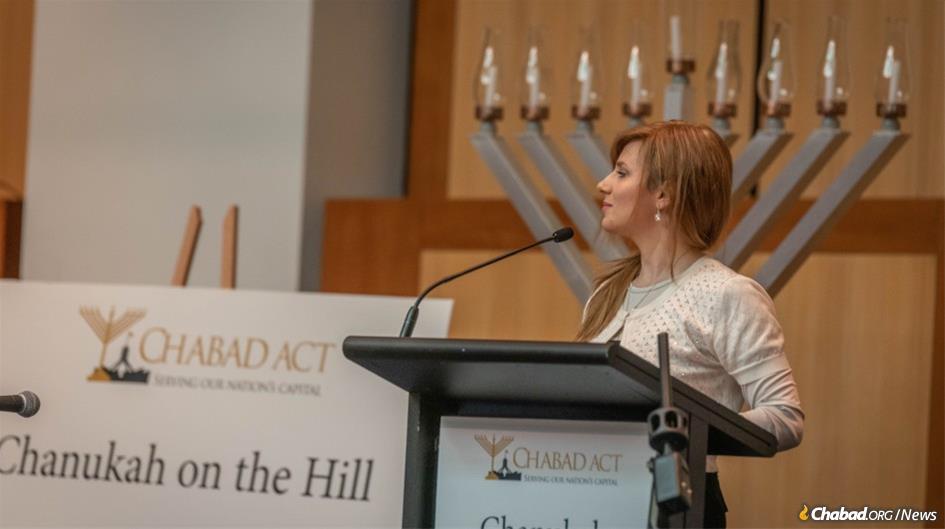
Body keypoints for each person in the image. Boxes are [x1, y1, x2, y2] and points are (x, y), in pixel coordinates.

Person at [576, 121, 804, 528]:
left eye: (622, 172)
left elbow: (785, 417)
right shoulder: (606, 294)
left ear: (663, 193)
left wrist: (688, 429)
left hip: (678, 506)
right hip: (596, 496)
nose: (602, 184)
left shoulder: (726, 294)